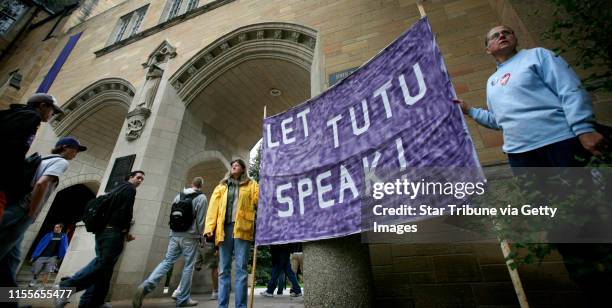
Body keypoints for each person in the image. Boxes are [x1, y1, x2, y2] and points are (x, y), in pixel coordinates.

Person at [455, 25, 610, 305]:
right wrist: (469, 110)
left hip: (559, 142)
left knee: (586, 213)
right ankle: (589, 285)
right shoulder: (492, 82)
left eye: (507, 32)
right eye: (494, 35)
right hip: (522, 156)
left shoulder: (537, 56)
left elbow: (569, 89)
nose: (502, 35)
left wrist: (583, 128)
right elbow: (499, 121)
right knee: (557, 222)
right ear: (487, 49)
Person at [0, 136, 85, 308]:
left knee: (12, 260)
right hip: (23, 211)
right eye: (75, 149)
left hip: (14, 206)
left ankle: (10, 303)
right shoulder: (61, 162)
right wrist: (32, 212)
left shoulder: (42, 160)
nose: (76, 153)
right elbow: (41, 184)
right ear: (65, 147)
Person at [56, 170, 144, 308]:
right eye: (138, 178)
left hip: (102, 232)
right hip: (113, 233)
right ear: (130, 177)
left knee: (105, 269)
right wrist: (125, 231)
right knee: (103, 264)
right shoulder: (129, 189)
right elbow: (125, 212)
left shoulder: (117, 188)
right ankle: (68, 285)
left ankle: (92, 302)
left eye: (142, 179)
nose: (140, 181)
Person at [133, 176, 208, 307]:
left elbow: (173, 215)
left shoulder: (178, 196)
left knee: (167, 262)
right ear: (201, 186)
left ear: (191, 184)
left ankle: (147, 285)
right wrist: (201, 238)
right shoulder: (201, 198)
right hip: (190, 237)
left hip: (174, 235)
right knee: (189, 266)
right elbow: (200, 221)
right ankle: (183, 299)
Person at [204, 159, 259, 308]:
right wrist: (209, 228)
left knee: (241, 269)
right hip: (224, 230)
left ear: (243, 169)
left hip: (243, 228)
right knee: (224, 269)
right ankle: (222, 306)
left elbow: (259, 201)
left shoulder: (252, 184)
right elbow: (212, 209)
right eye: (232, 165)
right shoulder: (221, 186)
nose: (234, 166)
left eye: (237, 165)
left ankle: (240, 306)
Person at [0, 93, 63, 221]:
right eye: (53, 110)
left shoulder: (13, 114)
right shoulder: (31, 117)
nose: (53, 115)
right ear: (42, 106)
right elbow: (12, 148)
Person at [29, 223, 69, 287]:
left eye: (56, 227)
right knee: (36, 270)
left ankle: (42, 286)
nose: (55, 228)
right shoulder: (48, 235)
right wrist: (34, 255)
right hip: (42, 255)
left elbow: (65, 246)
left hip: (53, 257)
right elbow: (40, 245)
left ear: (60, 228)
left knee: (47, 272)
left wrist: (62, 257)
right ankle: (34, 280)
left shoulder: (63, 236)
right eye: (55, 227)